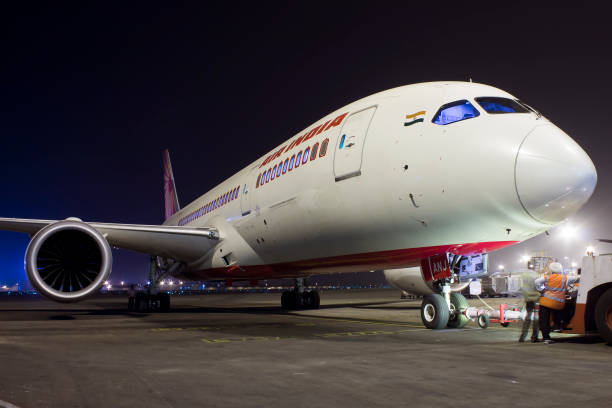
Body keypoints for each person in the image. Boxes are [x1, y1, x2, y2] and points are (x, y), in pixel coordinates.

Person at [535, 262, 578, 344]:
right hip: (558, 303)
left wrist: (541, 289)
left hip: (545, 302)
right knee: (561, 312)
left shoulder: (547, 277)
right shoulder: (566, 278)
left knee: (544, 320)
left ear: (551, 270)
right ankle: (557, 326)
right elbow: (577, 279)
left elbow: (537, 282)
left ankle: (546, 338)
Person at [519, 268, 540, 343]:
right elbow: (539, 286)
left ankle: (522, 337)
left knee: (528, 316)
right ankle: (534, 337)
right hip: (536, 299)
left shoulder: (524, 275)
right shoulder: (536, 275)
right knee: (536, 318)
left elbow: (521, 287)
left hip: (528, 298)